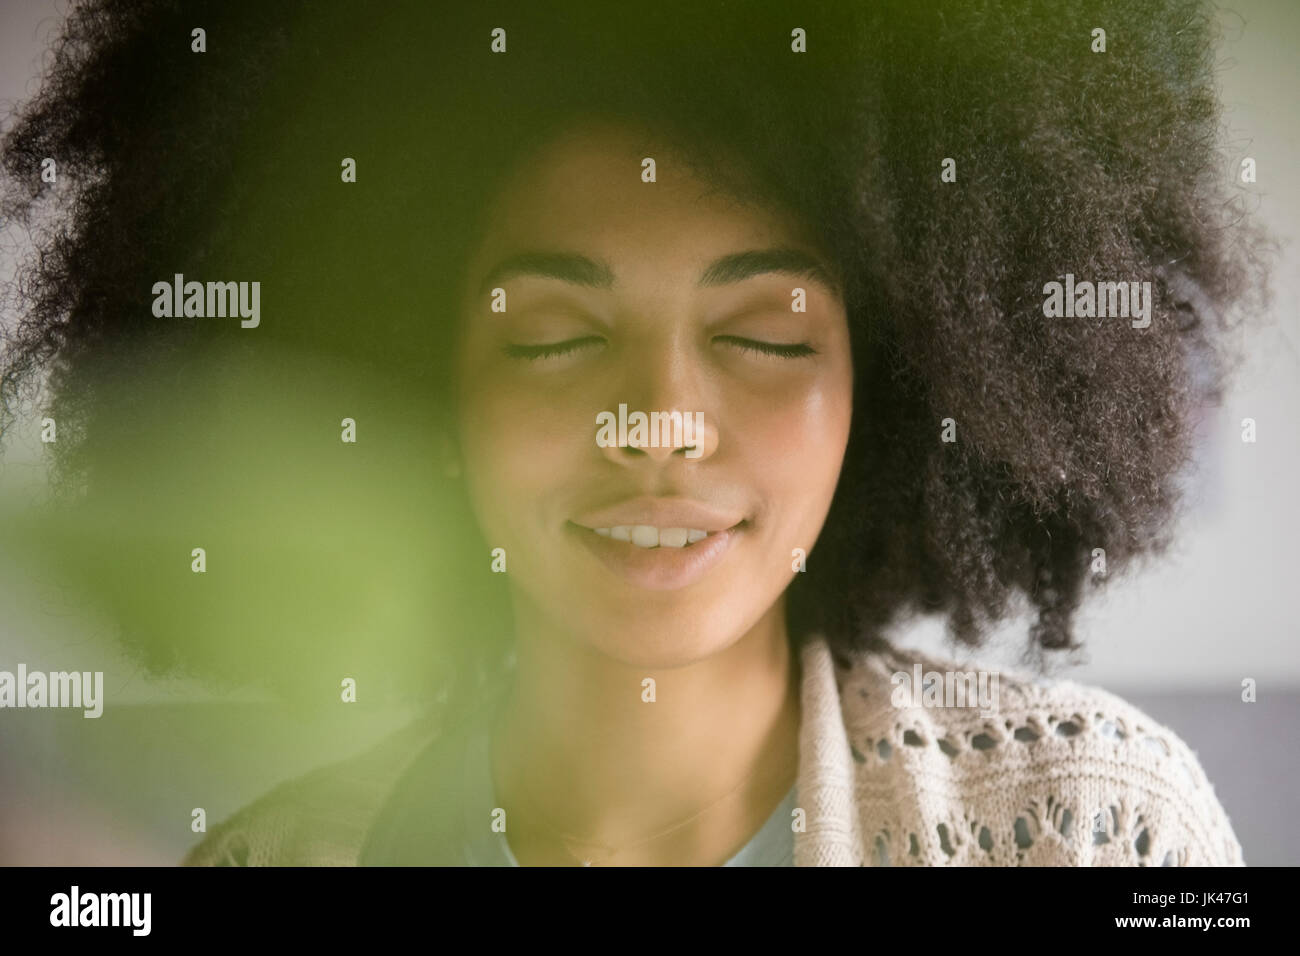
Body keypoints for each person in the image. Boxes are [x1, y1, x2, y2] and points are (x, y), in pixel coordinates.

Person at [0, 0, 1268, 866]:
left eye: (765, 337)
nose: (656, 421)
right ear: (426, 394)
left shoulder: (1093, 822)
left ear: (883, 395)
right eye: (554, 338)